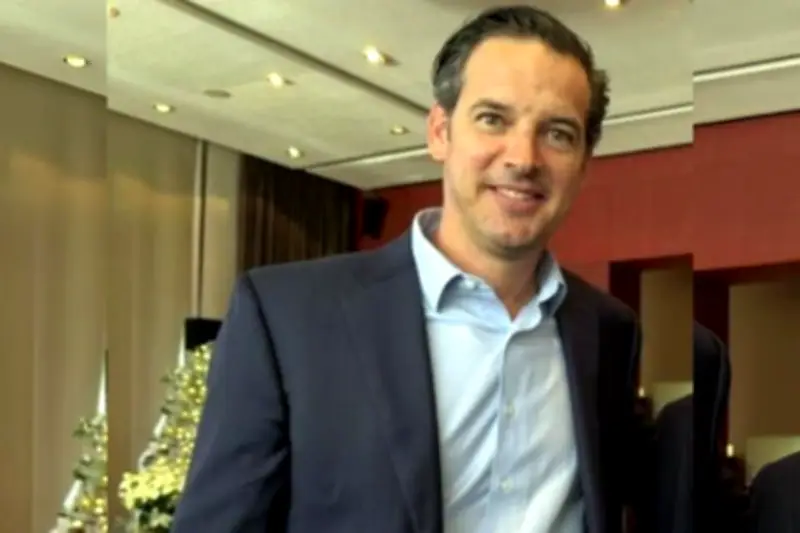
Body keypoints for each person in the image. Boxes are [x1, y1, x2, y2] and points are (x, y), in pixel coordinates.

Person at [171, 5, 646, 533]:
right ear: (440, 132)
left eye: (558, 133)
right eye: (493, 119)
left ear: (583, 163)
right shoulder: (287, 317)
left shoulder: (610, 330)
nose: (523, 157)